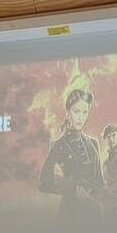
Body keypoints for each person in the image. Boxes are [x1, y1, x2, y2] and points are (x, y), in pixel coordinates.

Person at [38, 74, 102, 221]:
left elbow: (100, 182)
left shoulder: (93, 143)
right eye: (76, 111)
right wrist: (73, 189)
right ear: (68, 113)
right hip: (71, 215)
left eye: (85, 112)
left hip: (94, 215)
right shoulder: (58, 144)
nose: (81, 117)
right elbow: (43, 182)